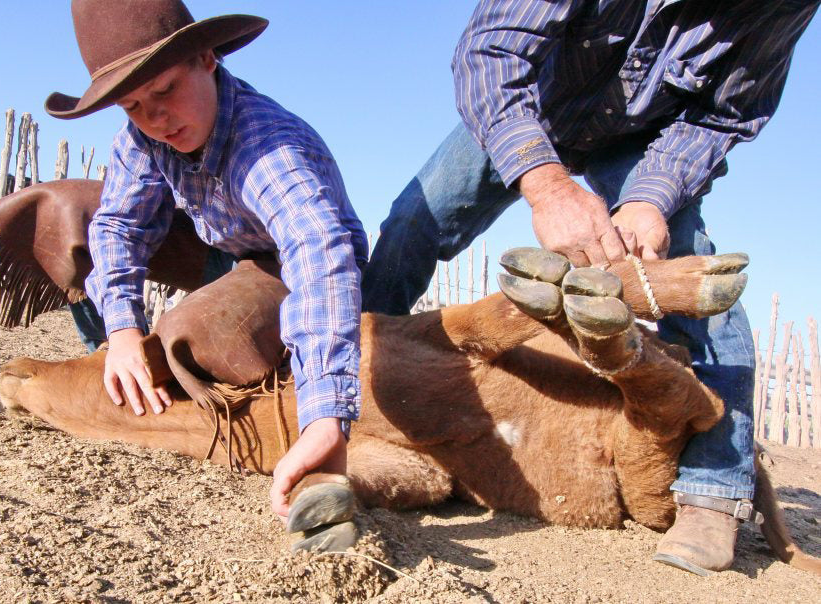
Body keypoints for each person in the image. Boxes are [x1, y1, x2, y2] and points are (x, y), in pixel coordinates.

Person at [362, 0, 819, 575]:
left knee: (705, 287)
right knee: (413, 223)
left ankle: (713, 490)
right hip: (535, 107)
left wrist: (653, 195)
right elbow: (489, 51)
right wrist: (547, 186)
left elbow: (726, 113)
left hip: (643, 144)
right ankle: (355, 384)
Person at [45, 0, 368, 522]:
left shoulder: (267, 146)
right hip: (219, 247)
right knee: (62, 214)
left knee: (190, 330)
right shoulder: (141, 138)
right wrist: (123, 329)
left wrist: (327, 418)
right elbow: (119, 225)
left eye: (164, 90)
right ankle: (116, 361)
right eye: (131, 105)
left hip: (284, 264)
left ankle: (281, 392)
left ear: (207, 58)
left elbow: (316, 247)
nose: (155, 118)